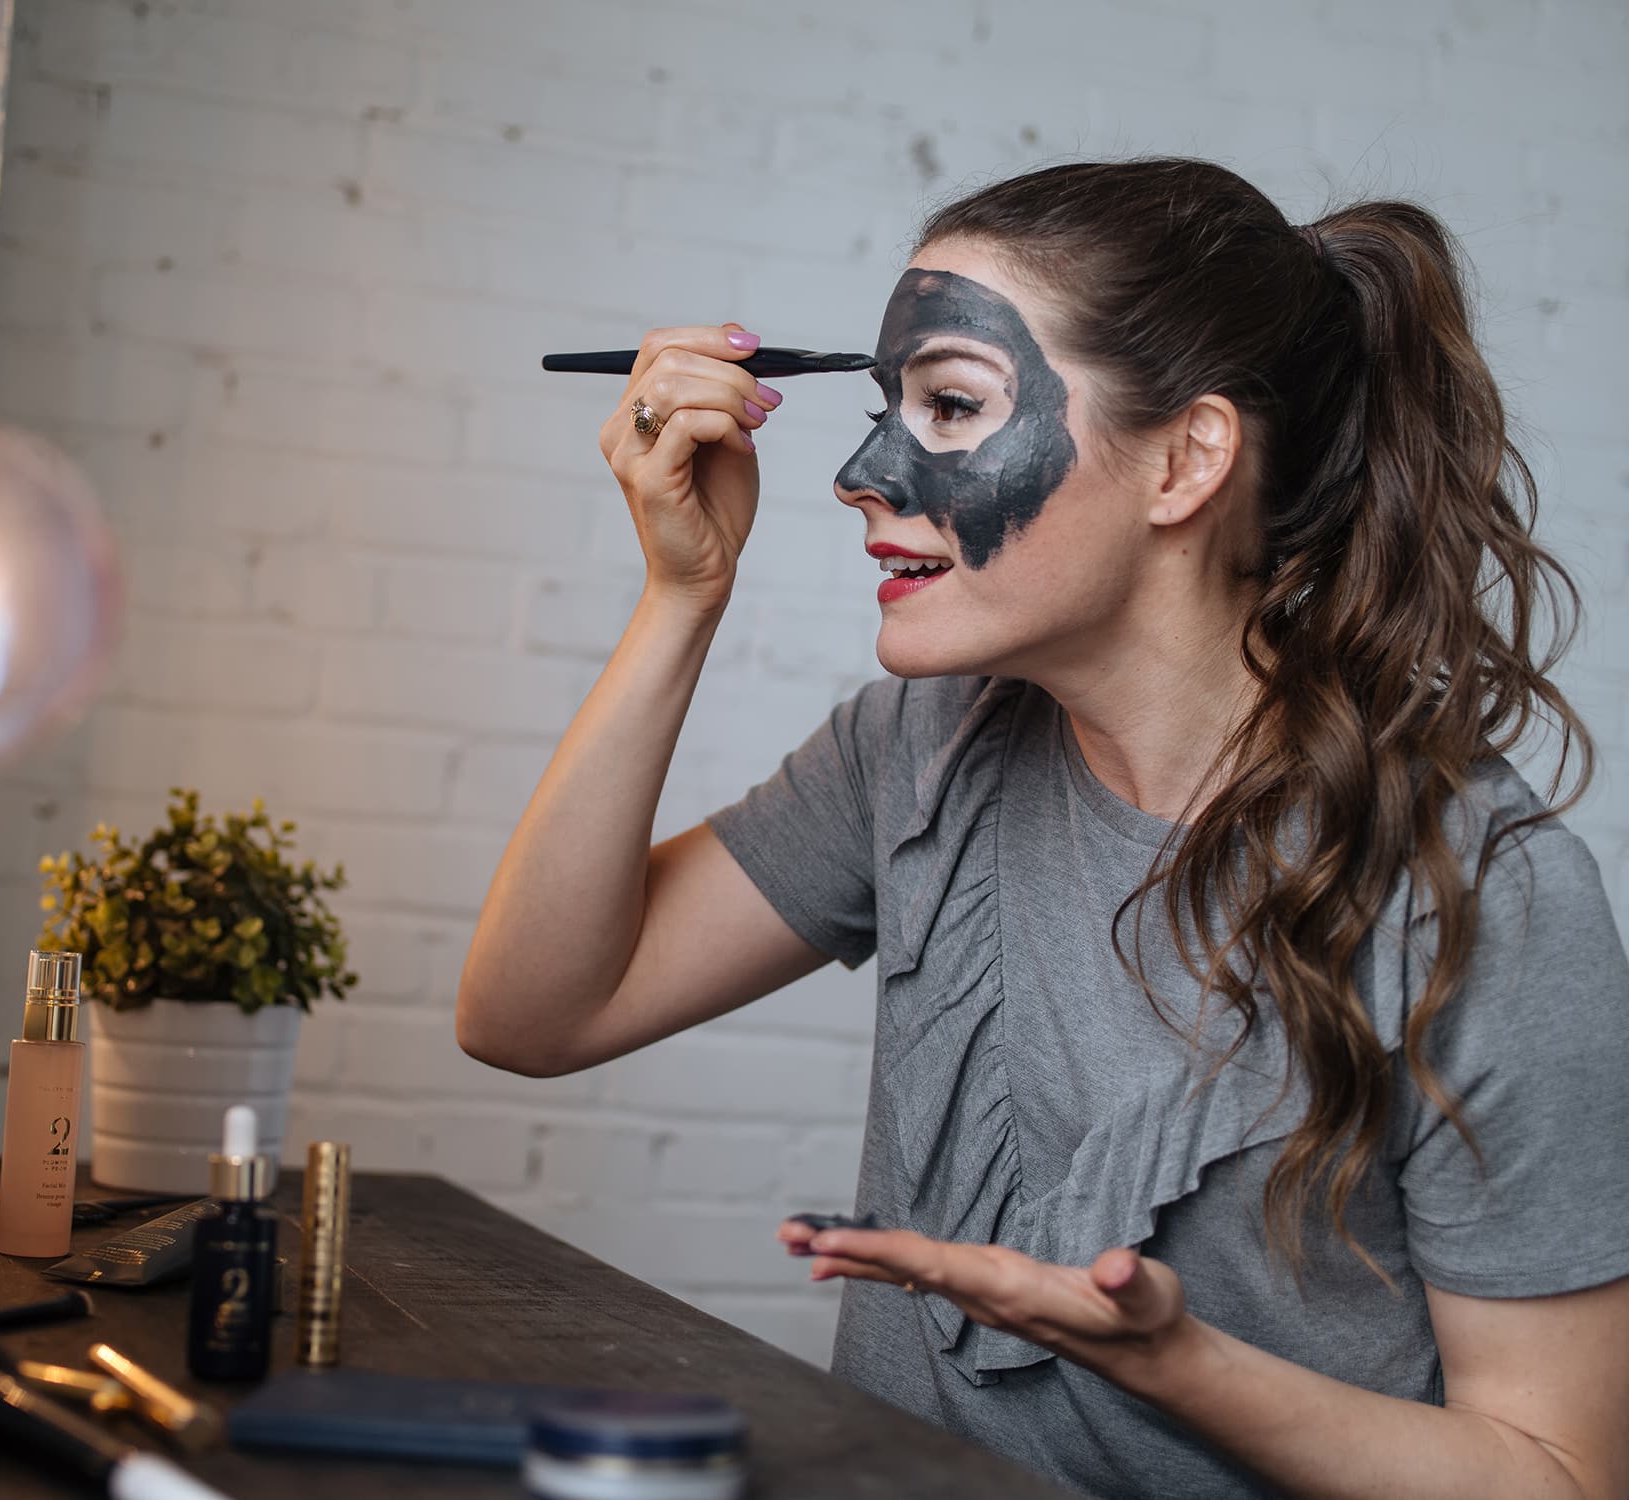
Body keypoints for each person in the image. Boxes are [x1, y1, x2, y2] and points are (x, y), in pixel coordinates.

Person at [455, 157, 1629, 1499]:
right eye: (886, 405)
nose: (861, 472)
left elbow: (1559, 1476)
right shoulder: (922, 746)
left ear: (1187, 460)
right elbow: (531, 1018)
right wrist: (682, 598)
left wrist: (1179, 1365)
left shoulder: (1486, 897)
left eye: (951, 404)